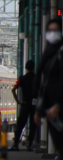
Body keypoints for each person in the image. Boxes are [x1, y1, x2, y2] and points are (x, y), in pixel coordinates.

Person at [34, 18, 63, 160]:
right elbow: (44, 85)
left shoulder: (60, 53)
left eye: (56, 31)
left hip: (58, 109)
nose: (52, 34)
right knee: (59, 143)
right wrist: (39, 111)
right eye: (49, 31)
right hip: (51, 111)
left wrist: (58, 105)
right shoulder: (48, 54)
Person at [9, 60, 37, 151]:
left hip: (25, 103)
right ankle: (29, 144)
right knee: (33, 126)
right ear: (34, 67)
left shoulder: (22, 78)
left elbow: (13, 90)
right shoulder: (37, 78)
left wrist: (18, 101)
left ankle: (16, 144)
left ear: (25, 68)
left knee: (20, 124)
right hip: (34, 105)